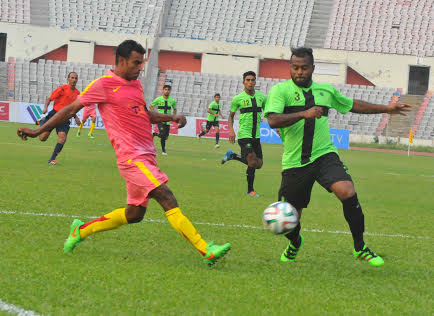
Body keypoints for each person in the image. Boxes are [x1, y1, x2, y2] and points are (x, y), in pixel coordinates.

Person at [17, 40, 231, 266]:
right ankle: (205, 248)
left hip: (147, 155)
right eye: (136, 63)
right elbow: (71, 109)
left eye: (141, 63)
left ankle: (80, 231)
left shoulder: (135, 86)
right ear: (121, 61)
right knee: (165, 195)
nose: (140, 68)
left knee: (134, 215)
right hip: (131, 157)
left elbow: (145, 114)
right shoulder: (103, 85)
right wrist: (38, 130)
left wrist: (171, 117)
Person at [264, 47, 411, 267]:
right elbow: (273, 120)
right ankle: (295, 242)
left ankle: (360, 247)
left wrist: (387, 108)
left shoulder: (326, 91)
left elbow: (352, 105)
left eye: (304, 68)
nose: (299, 72)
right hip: (295, 162)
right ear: (290, 68)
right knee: (289, 218)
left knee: (347, 192)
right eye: (295, 67)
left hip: (324, 155)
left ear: (312, 68)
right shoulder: (280, 91)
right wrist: (304, 113)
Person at [221, 71, 267, 197]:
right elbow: (230, 116)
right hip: (244, 135)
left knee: (259, 164)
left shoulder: (262, 97)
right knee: (252, 161)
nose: (250, 82)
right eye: (248, 80)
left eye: (252, 80)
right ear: (243, 82)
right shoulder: (238, 98)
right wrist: (231, 130)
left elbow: (268, 113)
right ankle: (250, 191)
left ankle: (233, 156)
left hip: (256, 136)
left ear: (255, 82)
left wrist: (278, 127)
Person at [35, 72, 82, 164]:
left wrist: (76, 117)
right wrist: (45, 108)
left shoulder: (77, 93)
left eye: (75, 78)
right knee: (42, 138)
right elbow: (49, 99)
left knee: (62, 138)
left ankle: (52, 159)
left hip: (65, 118)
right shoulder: (62, 88)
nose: (74, 80)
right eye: (72, 78)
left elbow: (73, 108)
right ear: (68, 79)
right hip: (55, 115)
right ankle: (42, 121)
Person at [150, 85, 177, 155]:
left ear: (170, 91)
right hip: (160, 120)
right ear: (163, 90)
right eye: (165, 89)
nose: (167, 91)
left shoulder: (172, 100)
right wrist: (155, 114)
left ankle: (155, 134)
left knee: (166, 137)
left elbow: (175, 109)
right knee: (162, 134)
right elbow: (151, 106)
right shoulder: (158, 99)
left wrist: (173, 116)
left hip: (167, 121)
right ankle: (163, 151)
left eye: (168, 90)